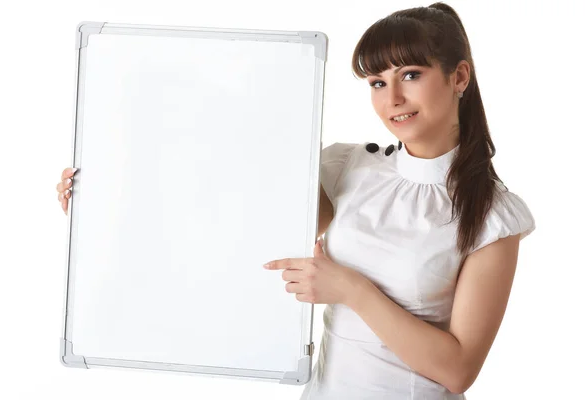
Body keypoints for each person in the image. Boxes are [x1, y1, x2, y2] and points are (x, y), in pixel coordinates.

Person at [56, 2, 535, 398]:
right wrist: (105, 192)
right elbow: (230, 212)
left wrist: (350, 290)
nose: (391, 98)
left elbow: (458, 370)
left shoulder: (493, 214)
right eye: (376, 82)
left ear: (459, 77)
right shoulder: (352, 166)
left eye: (410, 74)